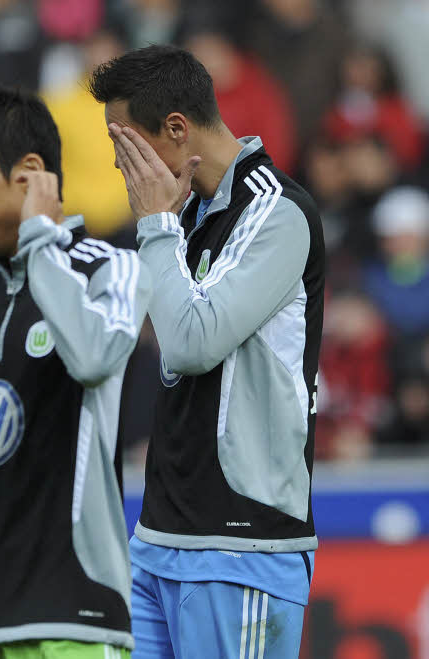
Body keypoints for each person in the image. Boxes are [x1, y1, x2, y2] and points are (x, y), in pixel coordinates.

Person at [91, 45, 325, 658]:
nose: (121, 168)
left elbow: (192, 344)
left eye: (126, 147)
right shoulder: (185, 214)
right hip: (159, 536)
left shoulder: (278, 211)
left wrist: (156, 230)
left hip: (241, 545)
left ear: (175, 130)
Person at [0, 87, 151, 657]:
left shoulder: (110, 267)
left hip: (69, 610)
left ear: (29, 176)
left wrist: (39, 244)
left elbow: (96, 357)